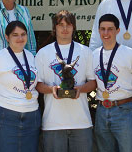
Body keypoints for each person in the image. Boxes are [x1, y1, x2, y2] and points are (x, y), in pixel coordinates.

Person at [35, 10, 96, 152]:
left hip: (81, 123)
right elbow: (37, 85)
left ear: (74, 27)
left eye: (68, 25)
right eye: (60, 25)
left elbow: (93, 83)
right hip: (53, 123)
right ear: (54, 28)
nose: (64, 29)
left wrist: (80, 89)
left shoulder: (85, 51)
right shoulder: (43, 53)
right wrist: (52, 90)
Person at [0, 21, 40, 152]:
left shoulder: (32, 57)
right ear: (7, 37)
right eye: (15, 35)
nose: (20, 38)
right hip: (4, 116)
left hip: (31, 115)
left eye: (23, 34)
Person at [93, 14, 132, 152]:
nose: (106, 33)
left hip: (124, 110)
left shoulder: (130, 54)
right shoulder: (94, 55)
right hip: (102, 110)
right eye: (102, 29)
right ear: (99, 30)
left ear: (118, 31)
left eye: (110, 29)